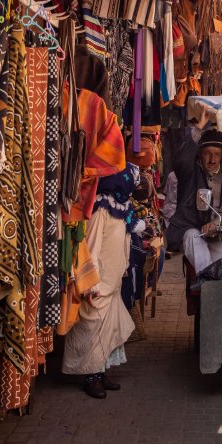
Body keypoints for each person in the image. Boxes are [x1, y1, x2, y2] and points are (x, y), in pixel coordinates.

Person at [62, 165, 139, 399]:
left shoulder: (122, 210)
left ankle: (100, 371)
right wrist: (91, 281)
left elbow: (123, 244)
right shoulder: (101, 210)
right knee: (92, 330)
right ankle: (91, 377)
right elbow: (91, 247)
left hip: (111, 283)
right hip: (97, 284)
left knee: (108, 330)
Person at [165, 113, 222, 274]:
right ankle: (207, 281)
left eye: (216, 154)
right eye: (207, 153)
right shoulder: (189, 171)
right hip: (192, 229)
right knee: (192, 237)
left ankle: (216, 290)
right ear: (199, 154)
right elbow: (182, 159)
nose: (212, 159)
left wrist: (217, 226)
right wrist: (200, 125)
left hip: (218, 233)